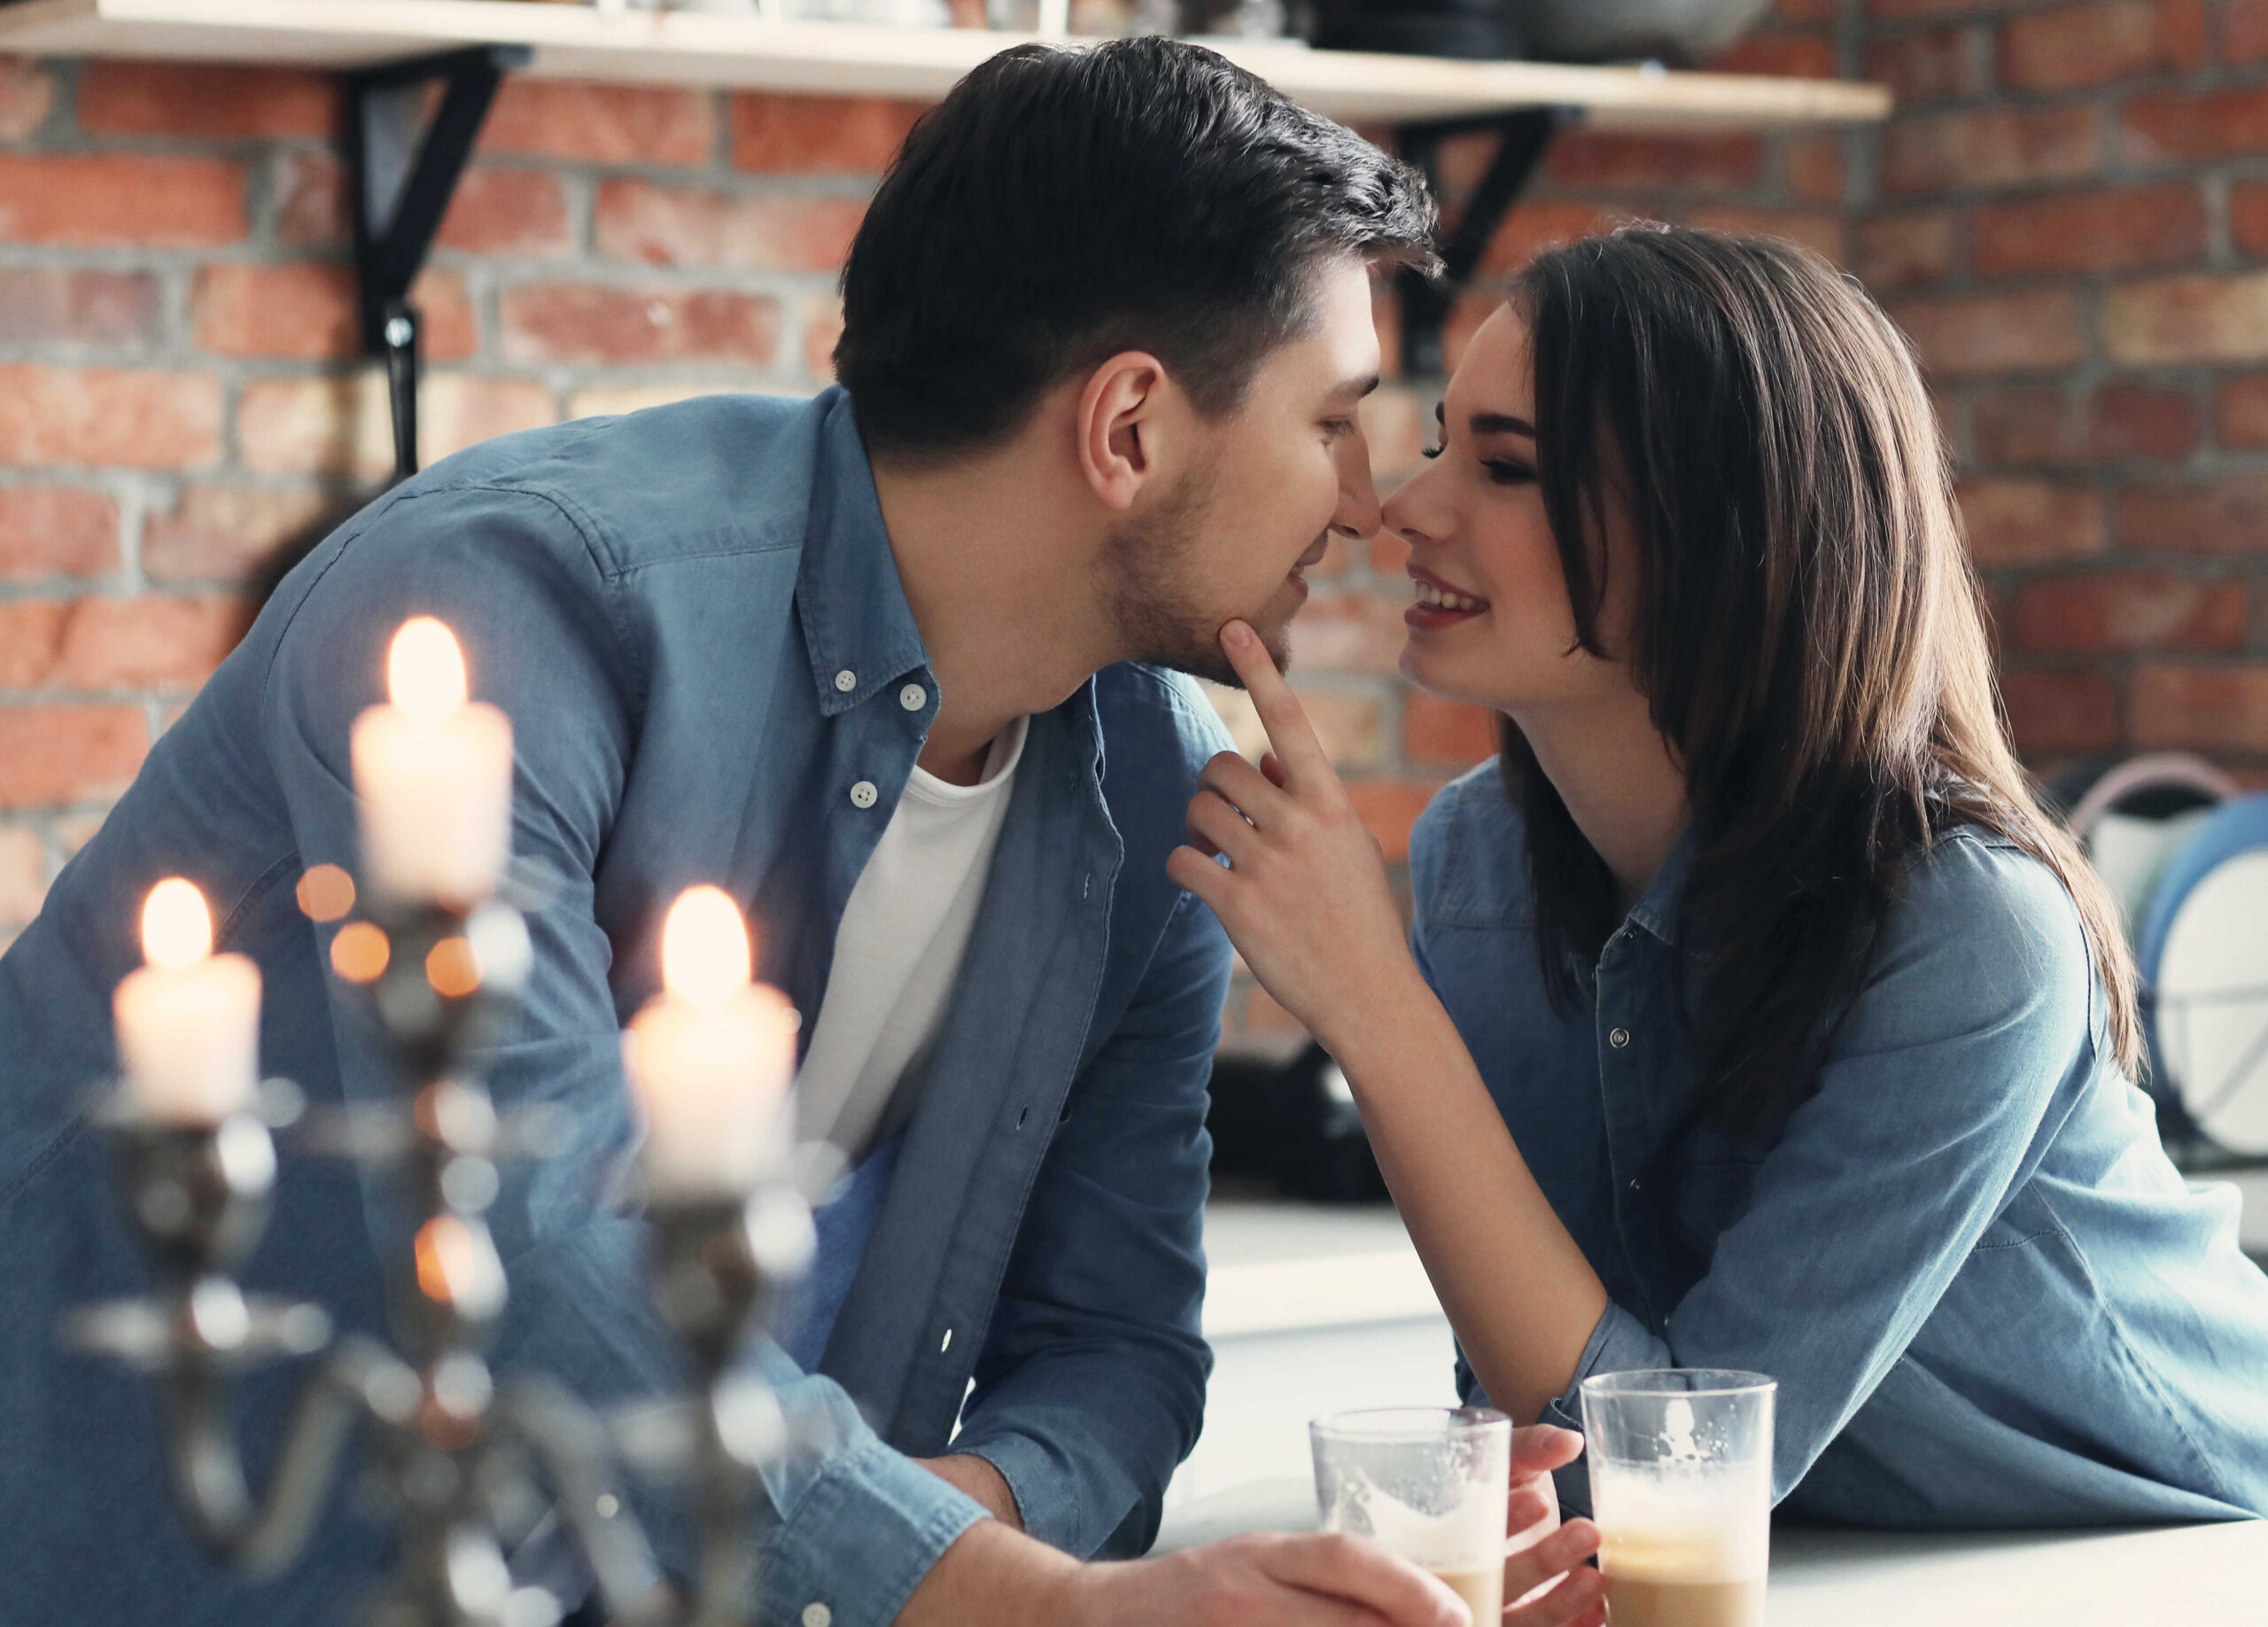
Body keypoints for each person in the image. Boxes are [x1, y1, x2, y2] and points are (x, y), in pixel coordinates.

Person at [0, 39, 1606, 1627]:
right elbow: (540, 1262)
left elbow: (1116, 1353)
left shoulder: (1157, 784)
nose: (1367, 502)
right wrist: (1018, 1602)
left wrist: (954, 1550)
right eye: (1335, 421)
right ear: (1128, 429)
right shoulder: (510, 611)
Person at [1173, 225, 2268, 1526]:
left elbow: (1666, 1481)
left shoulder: (1972, 932)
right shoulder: (1482, 863)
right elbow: (1546, 1439)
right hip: (1851, 1564)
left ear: (1723, 534)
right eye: (1438, 445)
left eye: (1508, 467)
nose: (1409, 508)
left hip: (2184, 1550)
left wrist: (1372, 1008)